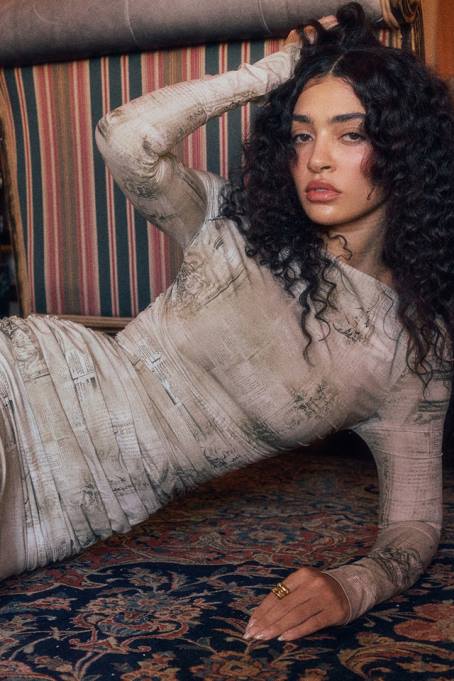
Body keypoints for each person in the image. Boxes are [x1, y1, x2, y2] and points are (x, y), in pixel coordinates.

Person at [0, 2, 453, 643]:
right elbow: (124, 138)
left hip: (71, 509)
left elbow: (414, 524)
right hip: (26, 385)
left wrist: (354, 584)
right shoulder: (232, 222)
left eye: (350, 135)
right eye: (301, 135)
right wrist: (275, 71)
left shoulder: (413, 353)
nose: (317, 159)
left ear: (407, 150)